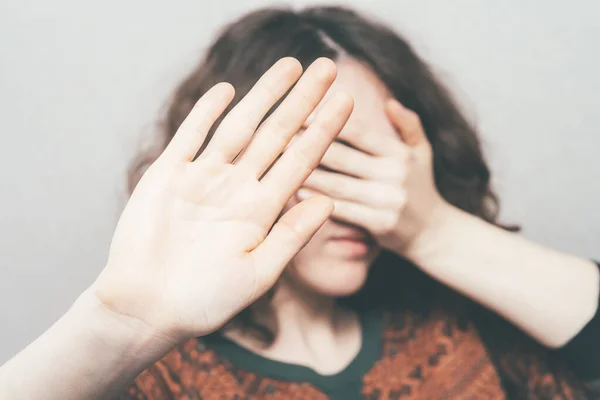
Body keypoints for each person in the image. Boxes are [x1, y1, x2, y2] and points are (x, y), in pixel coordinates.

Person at [1, 5, 599, 400]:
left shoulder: (468, 335)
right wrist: (119, 325)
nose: (360, 200)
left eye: (379, 163)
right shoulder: (158, 379)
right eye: (325, 157)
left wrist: (433, 230)